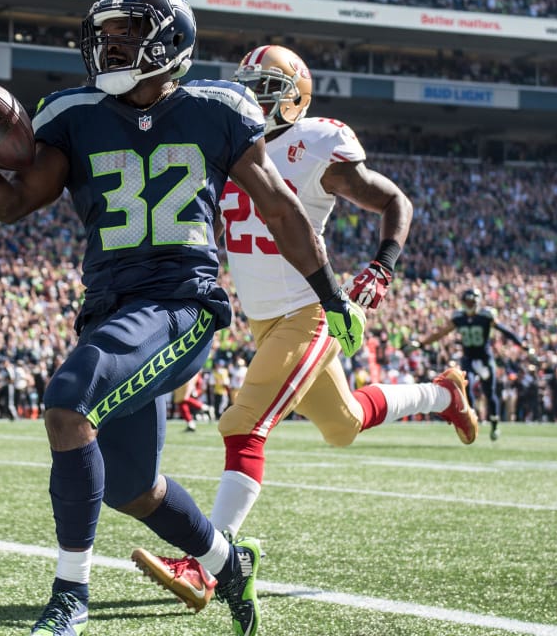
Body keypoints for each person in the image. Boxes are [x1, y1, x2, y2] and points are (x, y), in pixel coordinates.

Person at [0, 0, 366, 636]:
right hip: (111, 308)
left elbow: (279, 208)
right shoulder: (74, 114)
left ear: (168, 39)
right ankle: (228, 562)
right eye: (103, 34)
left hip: (182, 303)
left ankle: (70, 595)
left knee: (69, 403)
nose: (109, 45)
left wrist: (331, 295)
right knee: (132, 486)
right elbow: (14, 203)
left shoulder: (218, 108)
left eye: (125, 32)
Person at [129, 44, 478, 612]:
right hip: (264, 319)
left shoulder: (313, 143)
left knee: (243, 423)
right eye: (248, 85)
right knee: (342, 425)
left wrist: (382, 265)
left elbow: (395, 201)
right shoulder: (228, 145)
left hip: (311, 310)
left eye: (266, 88)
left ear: (296, 99)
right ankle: (443, 393)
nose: (253, 97)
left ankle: (208, 563)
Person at [418, 287, 530, 440]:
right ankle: (471, 416)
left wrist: (521, 344)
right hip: (469, 358)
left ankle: (494, 424)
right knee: (466, 386)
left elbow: (505, 331)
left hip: (484, 358)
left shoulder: (485, 316)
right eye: (467, 301)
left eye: (472, 302)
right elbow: (441, 333)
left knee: (489, 392)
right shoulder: (459, 317)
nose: (469, 304)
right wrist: (422, 344)